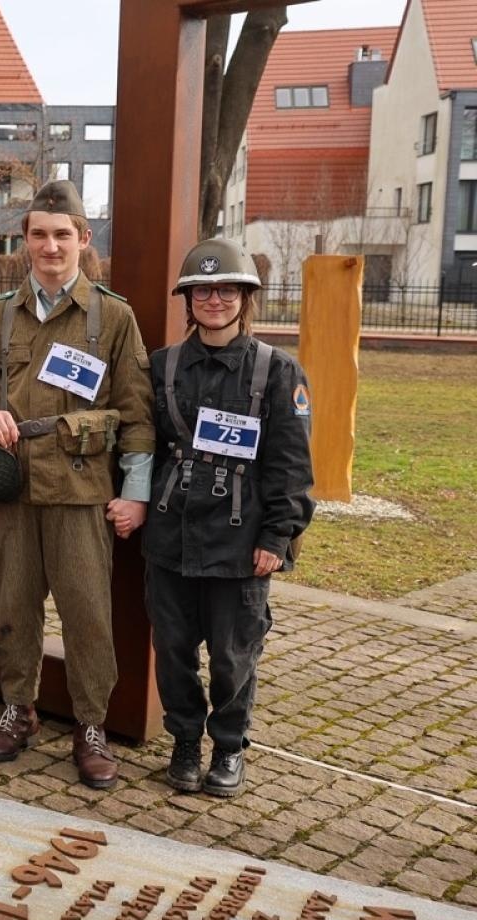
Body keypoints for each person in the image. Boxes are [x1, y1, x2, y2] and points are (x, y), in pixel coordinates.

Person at [0, 180, 155, 790]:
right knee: (13, 609)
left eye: (63, 234)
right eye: (39, 234)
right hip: (12, 488)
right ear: (25, 241)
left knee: (87, 614)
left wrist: (134, 492)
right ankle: (19, 709)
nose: (50, 245)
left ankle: (91, 725)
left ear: (83, 240)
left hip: (82, 490)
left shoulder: (112, 317)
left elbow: (138, 414)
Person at [145, 239, 314, 798]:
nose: (214, 299)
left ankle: (229, 746)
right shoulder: (162, 367)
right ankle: (185, 740)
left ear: (245, 297)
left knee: (232, 656)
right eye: (202, 290)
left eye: (226, 290)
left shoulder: (278, 371)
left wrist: (279, 535)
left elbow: (291, 465)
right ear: (188, 301)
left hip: (241, 542)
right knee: (172, 650)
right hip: (171, 535)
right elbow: (141, 445)